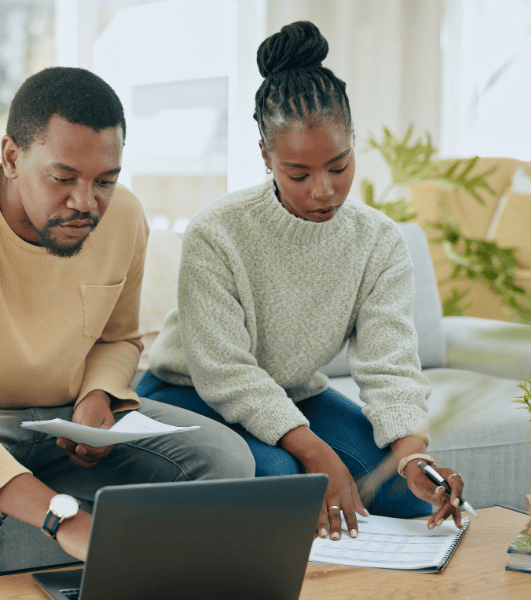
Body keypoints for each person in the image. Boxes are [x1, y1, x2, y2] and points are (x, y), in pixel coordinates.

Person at [0, 66, 255, 600]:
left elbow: (118, 339)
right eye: (63, 178)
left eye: (105, 181)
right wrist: (61, 519)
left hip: (60, 419)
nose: (86, 203)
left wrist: (98, 395)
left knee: (226, 460)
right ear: (10, 157)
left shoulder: (123, 219)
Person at [138, 21, 467, 541]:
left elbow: (390, 366)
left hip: (296, 395)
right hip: (191, 391)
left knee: (404, 493)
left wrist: (413, 456)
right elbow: (224, 371)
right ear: (266, 156)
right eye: (299, 174)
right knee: (288, 481)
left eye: (339, 166)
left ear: (353, 143)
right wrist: (314, 450)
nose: (324, 191)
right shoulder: (217, 231)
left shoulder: (378, 241)